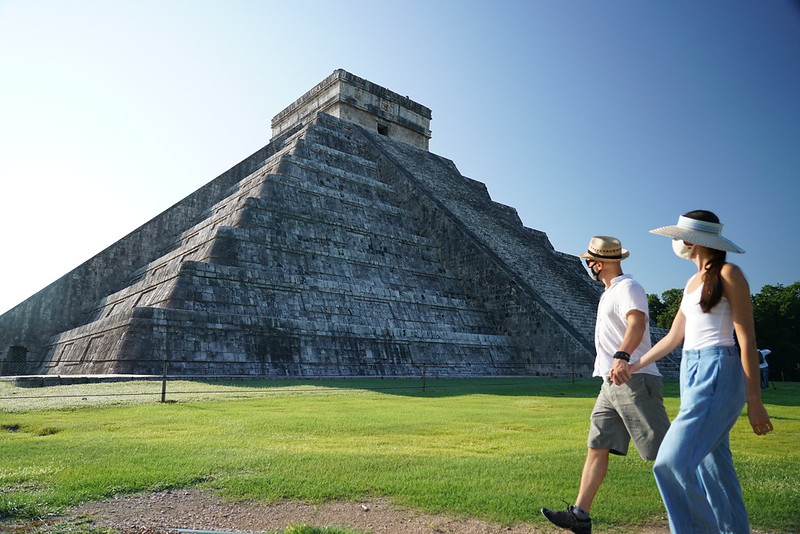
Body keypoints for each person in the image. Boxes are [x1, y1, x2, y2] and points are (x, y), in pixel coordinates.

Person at [626, 210, 773, 533]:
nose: (676, 242)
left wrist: (755, 401)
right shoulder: (692, 283)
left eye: (680, 236)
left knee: (671, 463)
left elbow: (746, 338)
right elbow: (673, 338)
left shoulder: (730, 274)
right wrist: (634, 365)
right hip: (691, 369)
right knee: (714, 467)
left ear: (694, 240)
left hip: (718, 367)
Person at [541, 236, 670, 534]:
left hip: (634, 379)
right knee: (597, 446)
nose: (587, 265)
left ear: (598, 264)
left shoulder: (628, 288)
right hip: (610, 383)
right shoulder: (609, 292)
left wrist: (622, 357)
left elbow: (637, 322)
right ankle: (579, 515)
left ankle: (700, 514)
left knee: (665, 452)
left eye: (589, 261)